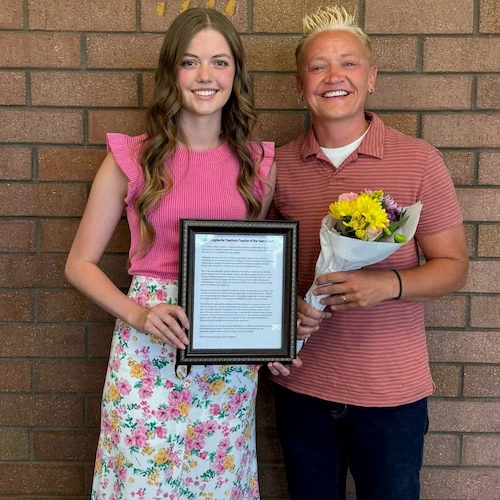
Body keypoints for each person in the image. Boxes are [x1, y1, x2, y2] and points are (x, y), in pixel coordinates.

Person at [65, 8, 298, 499]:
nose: (206, 76)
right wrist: (139, 314)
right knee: (141, 482)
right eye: (190, 62)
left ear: (236, 73)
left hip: (225, 361)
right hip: (147, 349)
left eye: (220, 61)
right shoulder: (131, 158)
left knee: (217, 483)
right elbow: (79, 263)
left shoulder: (259, 164)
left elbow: (252, 267)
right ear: (172, 71)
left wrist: (269, 338)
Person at [268, 5, 469, 500]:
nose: (333, 76)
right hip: (302, 390)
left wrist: (388, 284)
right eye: (318, 66)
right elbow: (259, 270)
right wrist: (272, 326)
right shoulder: (275, 166)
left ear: (371, 77)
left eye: (348, 63)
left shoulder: (419, 159)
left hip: (391, 396)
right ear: (299, 85)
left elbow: (454, 267)